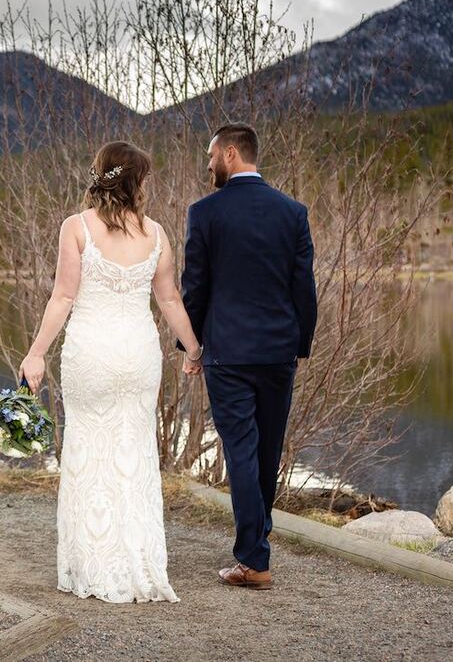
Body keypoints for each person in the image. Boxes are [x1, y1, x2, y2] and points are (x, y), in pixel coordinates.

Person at [18, 140, 203, 603]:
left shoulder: (77, 228)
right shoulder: (156, 235)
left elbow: (63, 297)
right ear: (137, 183)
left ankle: (93, 567)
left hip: (92, 354)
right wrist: (194, 348)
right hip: (139, 357)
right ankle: (138, 564)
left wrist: (36, 353)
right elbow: (169, 301)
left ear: (101, 175)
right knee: (134, 454)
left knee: (88, 451)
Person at [179, 122, 318, 590]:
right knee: (267, 452)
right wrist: (299, 346)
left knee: (241, 450)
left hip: (229, 353)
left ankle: (254, 560)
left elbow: (194, 288)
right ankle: (257, 541)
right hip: (278, 352)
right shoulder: (292, 213)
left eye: (211, 155)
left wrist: (192, 346)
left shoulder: (205, 213)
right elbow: (304, 289)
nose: (208, 163)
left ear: (232, 153)